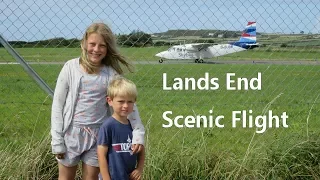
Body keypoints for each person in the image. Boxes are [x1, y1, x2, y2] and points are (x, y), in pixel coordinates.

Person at [51, 23, 145, 180]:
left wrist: (138, 135)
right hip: (71, 134)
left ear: (107, 48)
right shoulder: (70, 68)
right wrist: (57, 140)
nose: (96, 49)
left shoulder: (110, 74)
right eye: (92, 44)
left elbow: (128, 105)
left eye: (102, 45)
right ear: (84, 43)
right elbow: (57, 105)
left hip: (98, 136)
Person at [97, 76, 145, 180]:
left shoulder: (135, 127)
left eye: (130, 102)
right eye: (121, 101)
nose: (126, 105)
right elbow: (101, 155)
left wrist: (139, 169)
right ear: (110, 101)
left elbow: (141, 150)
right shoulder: (108, 126)